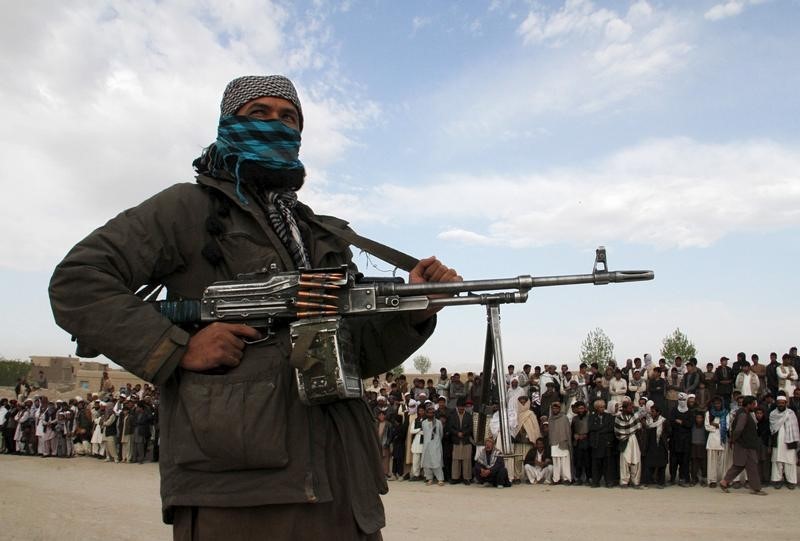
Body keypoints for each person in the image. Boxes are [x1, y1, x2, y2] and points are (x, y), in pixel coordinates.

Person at [49, 75, 462, 539]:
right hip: (241, 489)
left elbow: (356, 357)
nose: (276, 125)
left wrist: (416, 308)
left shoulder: (318, 233)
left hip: (341, 486)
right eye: (259, 114)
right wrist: (177, 348)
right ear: (228, 124)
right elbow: (78, 282)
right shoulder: (187, 209)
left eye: (288, 117)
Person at [719, 396, 767, 495]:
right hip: (745, 445)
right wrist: (733, 440)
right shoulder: (743, 415)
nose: (754, 406)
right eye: (753, 404)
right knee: (752, 465)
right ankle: (756, 488)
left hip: (744, 444)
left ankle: (724, 482)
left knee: (739, 465)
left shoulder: (744, 413)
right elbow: (738, 430)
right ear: (748, 404)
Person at [769, 395, 799, 489]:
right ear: (777, 404)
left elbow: (795, 428)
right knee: (777, 461)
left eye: (783, 403)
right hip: (777, 441)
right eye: (779, 403)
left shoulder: (791, 414)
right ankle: (777, 480)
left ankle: (791, 481)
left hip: (789, 442)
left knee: (790, 462)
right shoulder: (773, 414)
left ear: (786, 403)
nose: (781, 404)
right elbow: (772, 428)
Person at [614, 398, 643, 489]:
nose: (631, 409)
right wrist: (626, 435)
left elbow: (638, 427)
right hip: (624, 441)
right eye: (630, 408)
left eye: (632, 407)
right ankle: (624, 482)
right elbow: (618, 431)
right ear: (625, 408)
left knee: (636, 460)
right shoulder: (618, 417)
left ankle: (635, 481)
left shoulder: (634, 416)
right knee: (624, 461)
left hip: (634, 440)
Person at [588, 399, 615, 488]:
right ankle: (596, 481)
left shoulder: (609, 417)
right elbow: (591, 427)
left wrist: (598, 429)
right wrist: (602, 429)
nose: (602, 409)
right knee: (596, 464)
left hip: (606, 443)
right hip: (596, 443)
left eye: (603, 407)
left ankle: (609, 481)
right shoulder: (592, 417)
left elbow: (610, 428)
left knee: (607, 463)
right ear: (596, 408)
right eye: (600, 407)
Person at [447, 398, 473, 485]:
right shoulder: (452, 415)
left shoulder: (469, 416)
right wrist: (457, 433)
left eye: (462, 408)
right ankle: (455, 478)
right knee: (456, 460)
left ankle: (466, 478)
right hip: (456, 440)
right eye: (459, 408)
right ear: (457, 407)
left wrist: (464, 433)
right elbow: (450, 427)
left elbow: (470, 427)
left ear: (465, 407)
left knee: (467, 460)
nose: (461, 409)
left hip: (466, 440)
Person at [643, 405, 670, 488]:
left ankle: (661, 482)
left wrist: (664, 437)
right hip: (651, 445)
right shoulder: (649, 422)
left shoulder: (664, 421)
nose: (651, 413)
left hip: (661, 445)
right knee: (649, 464)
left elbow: (669, 432)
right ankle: (648, 481)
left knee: (661, 465)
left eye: (653, 411)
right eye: (651, 411)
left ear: (658, 412)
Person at [547, 402, 572, 484]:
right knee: (556, 461)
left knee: (565, 461)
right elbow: (550, 432)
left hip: (563, 441)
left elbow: (568, 431)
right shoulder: (550, 419)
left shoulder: (564, 418)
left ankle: (566, 479)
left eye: (557, 408)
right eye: (553, 408)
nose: (555, 410)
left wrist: (568, 442)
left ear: (559, 409)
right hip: (554, 442)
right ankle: (556, 479)